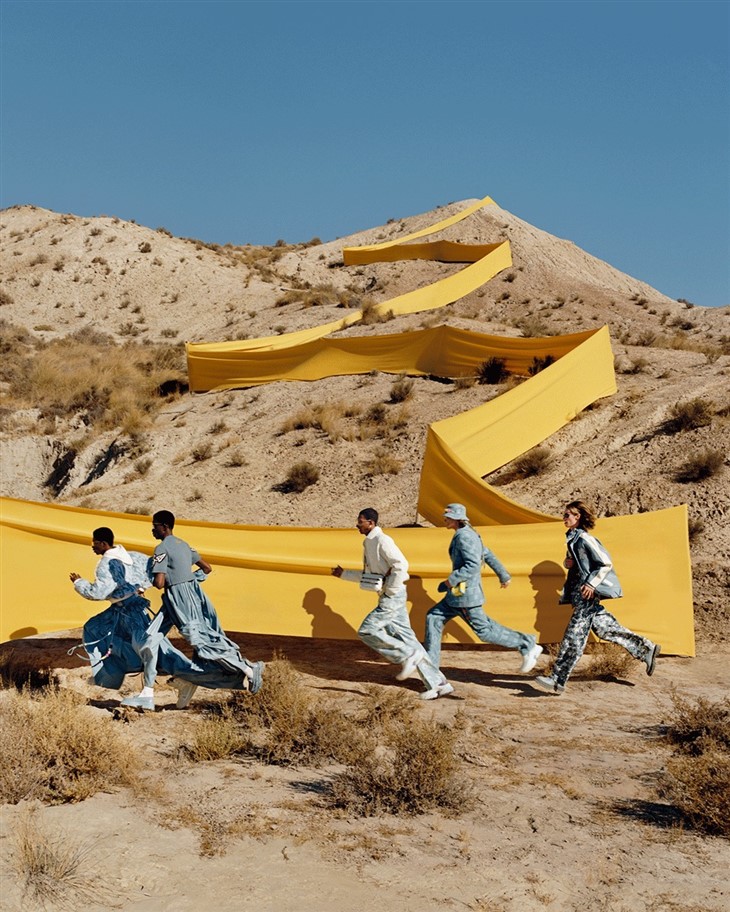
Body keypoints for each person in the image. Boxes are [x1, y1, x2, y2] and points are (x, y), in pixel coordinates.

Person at [71, 527, 254, 711]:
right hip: (123, 608)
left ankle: (199, 678)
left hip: (131, 611)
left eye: (94, 543)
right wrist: (141, 586)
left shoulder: (107, 564)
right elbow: (154, 570)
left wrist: (79, 583)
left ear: (103, 543)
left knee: (159, 651)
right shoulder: (135, 555)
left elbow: (100, 592)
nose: (92, 547)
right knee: (97, 629)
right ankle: (108, 675)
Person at [125, 509, 264, 710]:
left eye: (154, 526)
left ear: (163, 526)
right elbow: (207, 568)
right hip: (182, 597)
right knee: (150, 640)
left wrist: (145, 582)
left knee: (200, 639)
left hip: (178, 599)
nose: (152, 530)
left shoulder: (161, 549)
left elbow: (159, 583)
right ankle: (147, 693)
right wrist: (190, 582)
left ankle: (248, 669)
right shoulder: (184, 545)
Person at [530, 500, 661, 695]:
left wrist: (591, 584)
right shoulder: (573, 539)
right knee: (606, 629)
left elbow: (605, 563)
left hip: (586, 595)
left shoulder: (585, 538)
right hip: (580, 595)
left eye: (568, 515)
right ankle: (646, 648)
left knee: (573, 637)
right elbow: (583, 565)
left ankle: (557, 679)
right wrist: (569, 564)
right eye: (564, 514)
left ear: (578, 517)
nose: (564, 518)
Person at [331, 507, 453, 700]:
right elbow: (373, 576)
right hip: (389, 595)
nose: (357, 524)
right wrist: (344, 574)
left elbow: (401, 565)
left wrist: (391, 589)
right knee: (409, 638)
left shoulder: (383, 541)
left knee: (367, 630)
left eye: (360, 521)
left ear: (371, 523)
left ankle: (406, 654)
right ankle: (439, 683)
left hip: (392, 597)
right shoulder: (369, 542)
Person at [424, 504, 542, 674]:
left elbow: (472, 565)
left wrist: (450, 582)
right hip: (456, 596)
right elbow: (486, 553)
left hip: (464, 596)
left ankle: (526, 644)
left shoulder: (464, 536)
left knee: (484, 632)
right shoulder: (470, 533)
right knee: (433, 617)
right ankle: (431, 669)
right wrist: (504, 575)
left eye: (448, 517)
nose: (445, 519)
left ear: (457, 519)